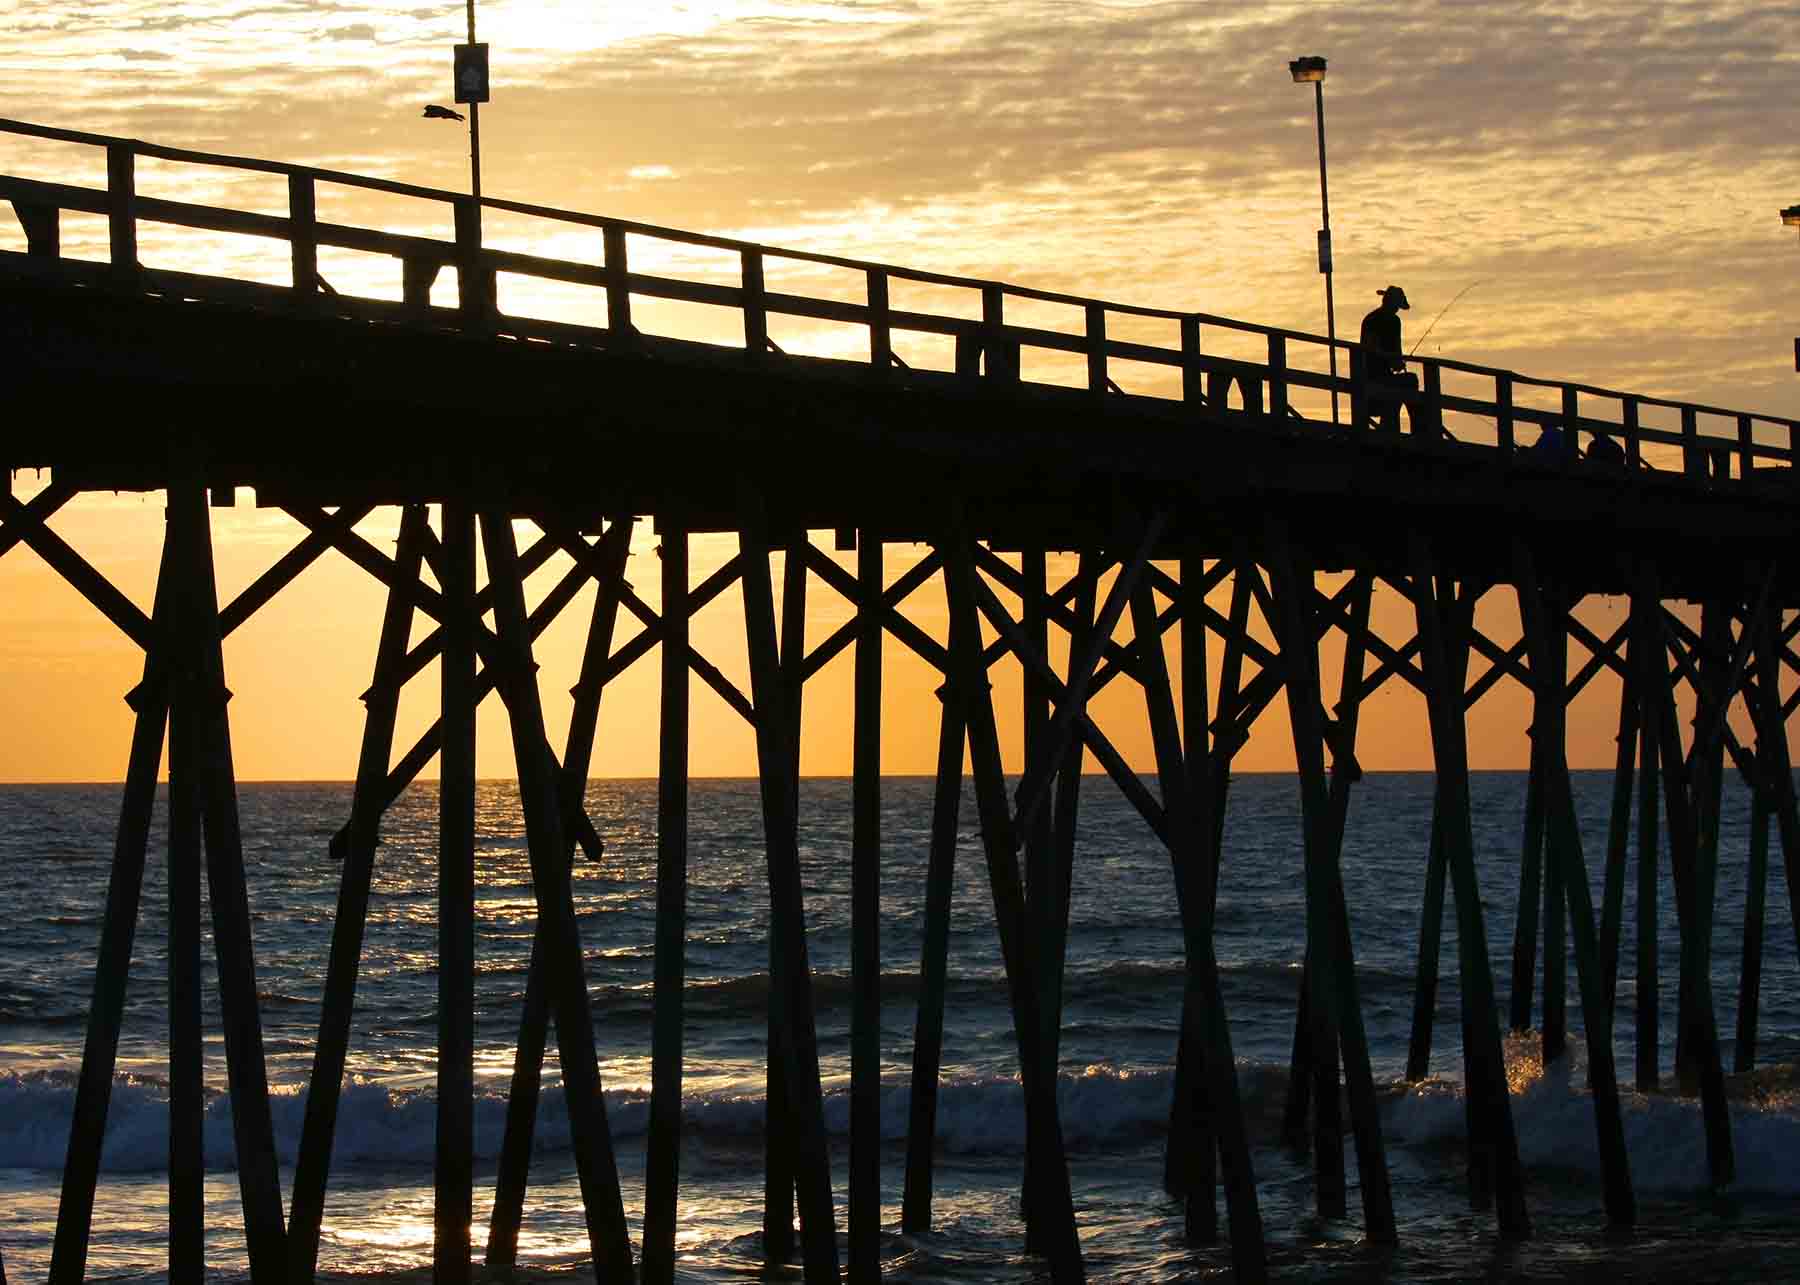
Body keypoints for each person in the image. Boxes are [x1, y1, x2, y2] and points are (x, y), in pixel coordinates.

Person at [1356, 286, 1422, 432]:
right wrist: (1395, 362)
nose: (1396, 310)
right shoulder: (1377, 321)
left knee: (1405, 384)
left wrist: (1396, 362)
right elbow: (1372, 350)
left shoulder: (1375, 319)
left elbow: (1395, 355)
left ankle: (1392, 428)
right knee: (1410, 381)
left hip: (1380, 377)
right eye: (1396, 306)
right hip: (1372, 378)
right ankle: (1416, 431)